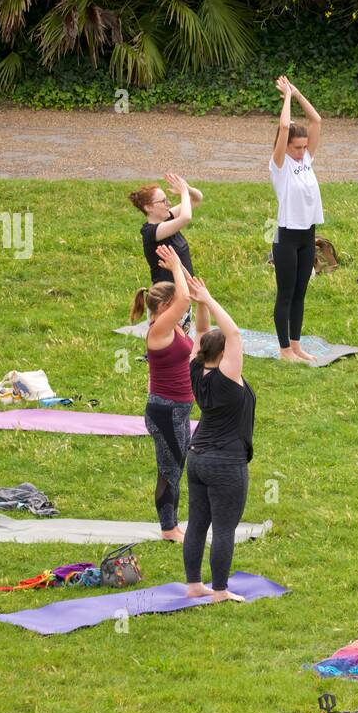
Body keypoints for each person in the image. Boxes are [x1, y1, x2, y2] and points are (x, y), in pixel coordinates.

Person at [182, 276, 255, 601]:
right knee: (224, 528)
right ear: (224, 354)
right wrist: (208, 299)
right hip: (225, 462)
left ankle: (194, 584)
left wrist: (199, 303)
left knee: (197, 523)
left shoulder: (197, 369)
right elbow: (234, 333)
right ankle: (220, 591)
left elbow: (200, 333)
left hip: (196, 458)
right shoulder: (229, 375)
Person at [131, 244, 194, 541]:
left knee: (177, 467)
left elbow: (187, 298)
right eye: (177, 304)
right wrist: (177, 264)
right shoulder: (158, 329)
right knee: (168, 470)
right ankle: (168, 529)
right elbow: (183, 298)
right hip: (166, 410)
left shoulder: (175, 328)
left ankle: (174, 524)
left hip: (180, 408)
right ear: (165, 306)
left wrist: (181, 272)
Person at [269, 75, 324, 363]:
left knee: (301, 292)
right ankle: (284, 350)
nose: (302, 152)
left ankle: (296, 345)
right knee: (286, 293)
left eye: (304, 147)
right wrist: (287, 98)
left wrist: (299, 93)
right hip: (287, 236)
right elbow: (283, 126)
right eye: (297, 147)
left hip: (307, 234)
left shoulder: (306, 160)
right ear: (285, 146)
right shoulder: (280, 165)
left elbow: (316, 121)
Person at [129, 172, 202, 330]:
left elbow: (197, 198)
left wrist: (187, 188)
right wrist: (183, 192)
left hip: (181, 293)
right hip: (167, 300)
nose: (168, 204)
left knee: (181, 345)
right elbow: (186, 218)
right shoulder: (151, 232)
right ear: (149, 207)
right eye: (163, 201)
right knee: (171, 345)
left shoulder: (167, 218)